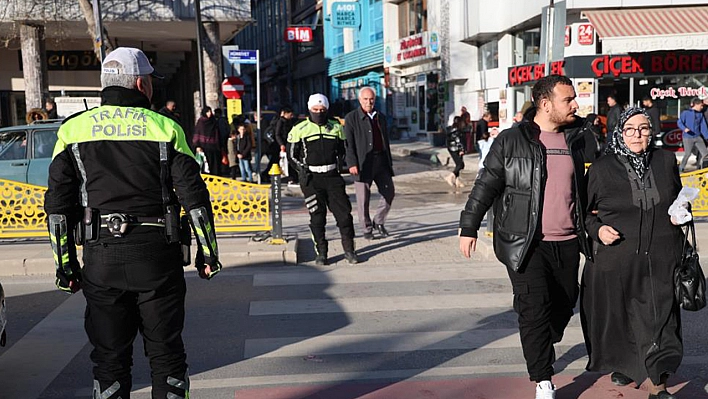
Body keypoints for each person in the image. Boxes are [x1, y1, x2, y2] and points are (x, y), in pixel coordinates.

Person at [44, 47, 221, 399]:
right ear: (141, 84)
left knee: (109, 362)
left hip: (101, 261)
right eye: (151, 81)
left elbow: (58, 209)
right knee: (167, 358)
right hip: (158, 259)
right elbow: (195, 199)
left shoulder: (72, 131)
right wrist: (208, 254)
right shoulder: (165, 128)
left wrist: (66, 267)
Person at [459, 75, 594, 399]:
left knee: (563, 304)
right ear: (545, 104)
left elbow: (592, 186)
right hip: (525, 243)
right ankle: (543, 379)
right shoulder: (511, 141)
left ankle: (540, 343)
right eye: (568, 99)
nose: (576, 104)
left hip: (567, 241)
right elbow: (486, 184)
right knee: (534, 310)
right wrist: (469, 226)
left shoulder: (577, 138)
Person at [581, 107, 684, 399]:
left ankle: (657, 383)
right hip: (618, 260)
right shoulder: (601, 168)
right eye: (630, 129)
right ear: (619, 132)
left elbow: (676, 199)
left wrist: (680, 212)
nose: (638, 135)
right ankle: (626, 365)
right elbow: (585, 214)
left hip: (663, 256)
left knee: (659, 320)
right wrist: (597, 230)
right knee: (624, 319)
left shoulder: (665, 160)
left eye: (644, 129)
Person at [288, 94, 358, 266]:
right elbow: (291, 155)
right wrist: (301, 170)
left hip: (333, 177)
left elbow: (344, 149)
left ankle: (349, 250)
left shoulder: (335, 127)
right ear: (309, 109)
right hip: (312, 180)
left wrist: (342, 164)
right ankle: (321, 253)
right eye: (315, 110)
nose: (319, 113)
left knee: (344, 216)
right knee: (317, 218)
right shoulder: (300, 128)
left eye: (322, 110)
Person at [344, 87, 395, 240]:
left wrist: (389, 161)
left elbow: (386, 141)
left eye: (371, 99)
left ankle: (378, 221)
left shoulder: (380, 117)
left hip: (381, 161)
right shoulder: (351, 118)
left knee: (389, 192)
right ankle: (366, 229)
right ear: (360, 100)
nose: (369, 102)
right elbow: (348, 143)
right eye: (365, 99)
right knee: (363, 199)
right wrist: (352, 163)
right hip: (362, 163)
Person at [677, 97, 708, 172]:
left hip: (697, 136)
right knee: (687, 154)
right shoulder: (686, 113)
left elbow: (703, 126)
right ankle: (681, 168)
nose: (702, 107)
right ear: (696, 105)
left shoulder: (700, 114)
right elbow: (680, 122)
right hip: (688, 137)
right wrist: (684, 129)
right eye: (701, 105)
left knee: (705, 153)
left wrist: (707, 136)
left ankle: (700, 167)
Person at [192, 106, 221, 175]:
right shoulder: (201, 122)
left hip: (214, 146)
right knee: (206, 164)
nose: (209, 113)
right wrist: (197, 145)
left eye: (210, 111)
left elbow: (217, 134)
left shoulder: (213, 121)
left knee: (214, 164)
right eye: (208, 112)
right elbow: (197, 133)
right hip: (204, 146)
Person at [445, 116, 466, 188]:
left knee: (458, 165)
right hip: (456, 148)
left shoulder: (450, 129)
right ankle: (450, 176)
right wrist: (462, 149)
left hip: (451, 148)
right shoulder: (457, 130)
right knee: (460, 164)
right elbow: (458, 140)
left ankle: (457, 181)